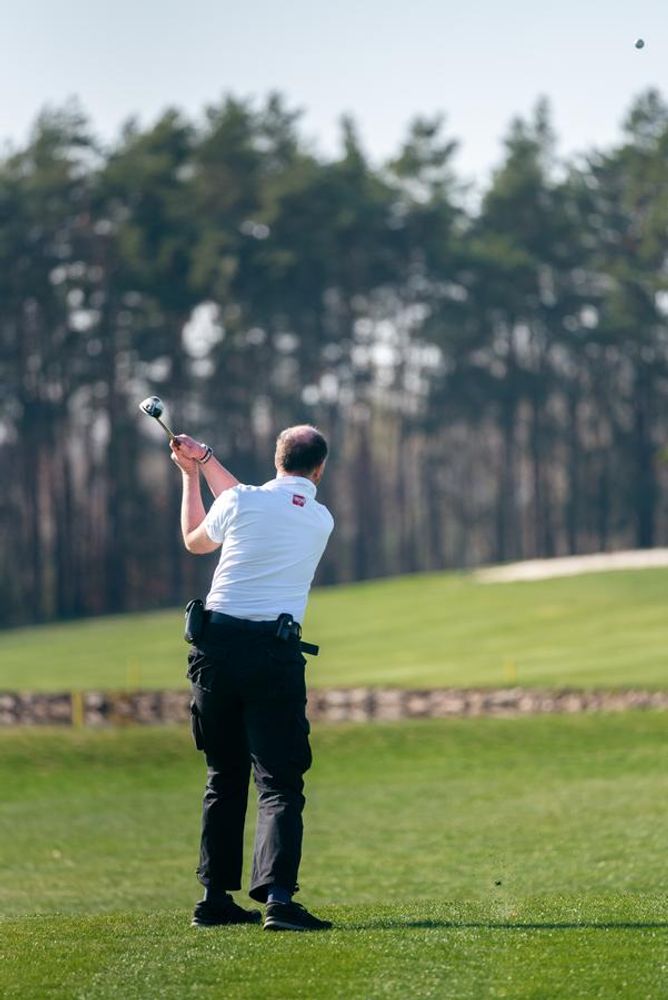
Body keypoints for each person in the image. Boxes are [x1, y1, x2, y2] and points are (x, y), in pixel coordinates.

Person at [170, 425, 334, 932]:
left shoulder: (241, 501)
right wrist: (205, 459)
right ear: (319, 470)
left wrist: (190, 476)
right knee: (279, 780)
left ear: (276, 459)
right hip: (273, 655)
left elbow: (196, 540)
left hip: (215, 650)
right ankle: (278, 901)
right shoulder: (320, 519)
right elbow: (250, 500)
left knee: (224, 774)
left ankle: (214, 898)